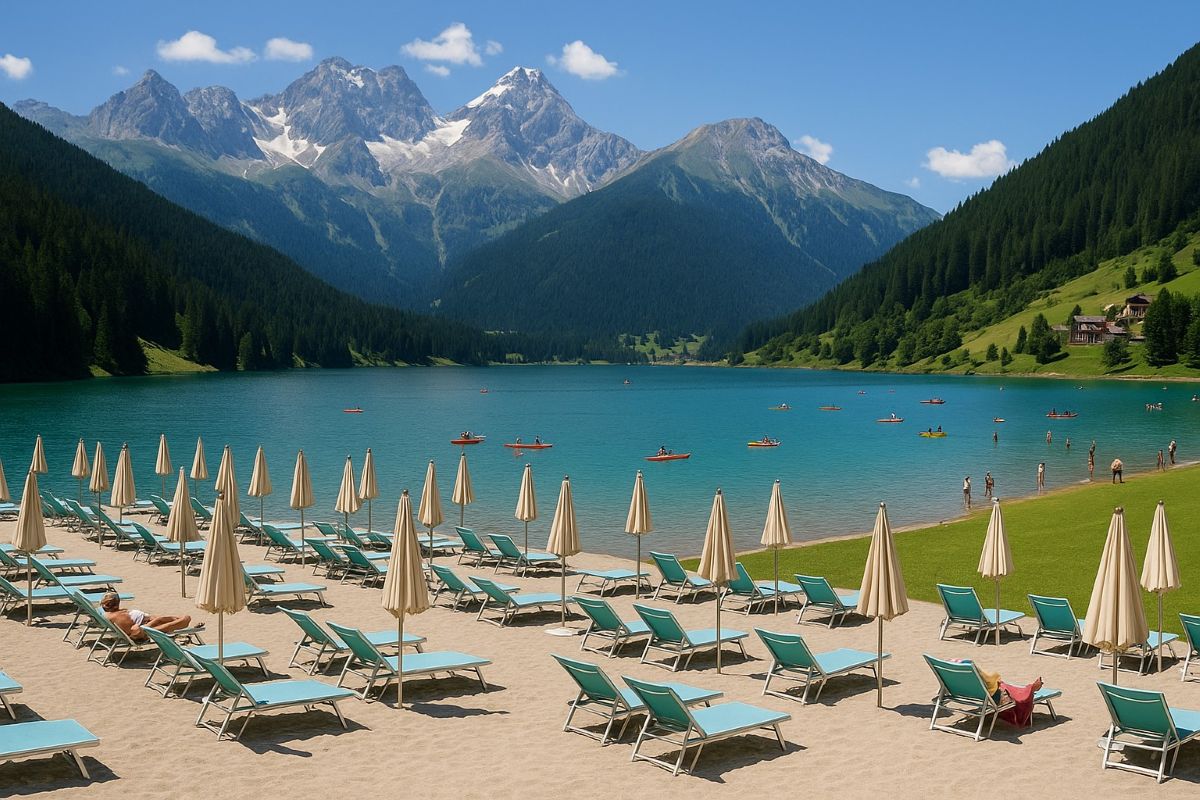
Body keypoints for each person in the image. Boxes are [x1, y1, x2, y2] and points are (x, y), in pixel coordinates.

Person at [958, 662, 1044, 727]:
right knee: (1004, 687)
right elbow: (993, 677)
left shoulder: (954, 675)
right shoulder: (971, 670)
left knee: (1000, 685)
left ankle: (1029, 688)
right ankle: (1030, 688)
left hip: (965, 693)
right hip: (992, 693)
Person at [100, 593, 194, 641]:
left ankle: (181, 621)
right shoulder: (113, 616)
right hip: (144, 630)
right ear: (116, 604)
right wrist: (152, 622)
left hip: (145, 624)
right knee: (185, 618)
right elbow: (134, 629)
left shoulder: (109, 614)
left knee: (165, 619)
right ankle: (183, 622)